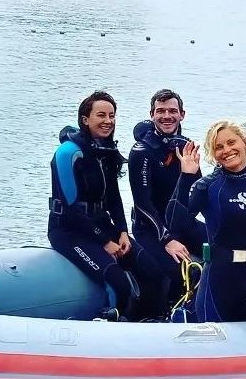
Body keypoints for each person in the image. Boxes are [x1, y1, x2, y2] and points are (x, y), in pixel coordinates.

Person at [48, 91, 164, 320]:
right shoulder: (68, 153)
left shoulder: (105, 150)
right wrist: (105, 242)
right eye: (101, 115)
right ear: (85, 119)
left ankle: (149, 324)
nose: (108, 121)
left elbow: (113, 198)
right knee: (120, 284)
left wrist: (122, 231)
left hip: (103, 228)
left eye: (112, 115)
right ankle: (112, 326)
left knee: (153, 272)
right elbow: (71, 210)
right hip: (69, 232)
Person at [169, 121, 246, 322]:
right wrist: (186, 177)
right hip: (218, 277)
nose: (226, 150)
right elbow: (176, 224)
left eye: (231, 142)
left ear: (245, 142)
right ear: (213, 154)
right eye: (218, 147)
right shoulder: (206, 186)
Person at [128, 89, 205, 305]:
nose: (167, 116)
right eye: (160, 111)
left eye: (172, 111)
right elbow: (142, 204)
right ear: (152, 115)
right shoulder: (141, 151)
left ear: (182, 114)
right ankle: (165, 314)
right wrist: (168, 239)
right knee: (180, 272)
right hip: (151, 228)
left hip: (182, 223)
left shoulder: (186, 146)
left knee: (224, 252)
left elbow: (198, 196)